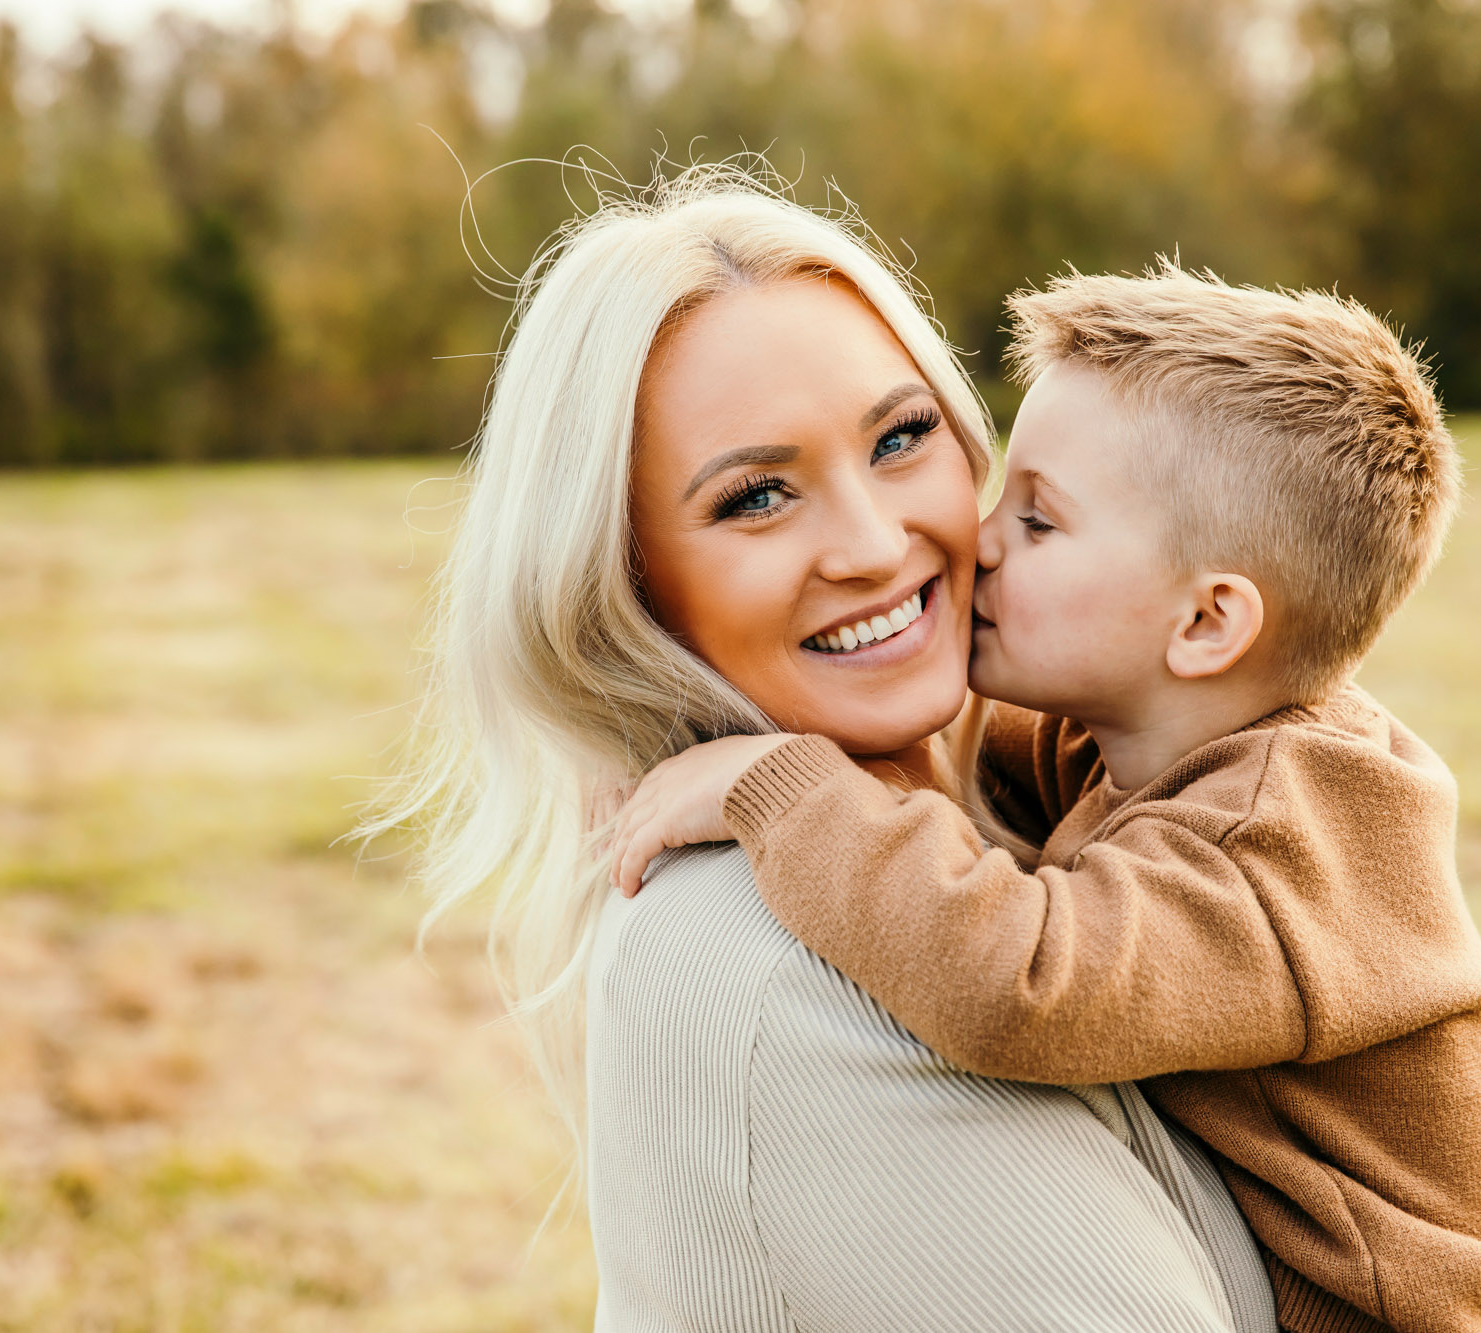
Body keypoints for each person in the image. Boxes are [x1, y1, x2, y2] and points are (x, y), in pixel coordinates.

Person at [369, 168, 1279, 1331]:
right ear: (622, 587)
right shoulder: (779, 966)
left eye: (901, 437)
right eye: (755, 498)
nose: (873, 541)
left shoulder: (998, 812)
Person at [609, 267, 1481, 1332]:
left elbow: (1018, 980)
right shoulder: (1170, 729)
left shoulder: (1274, 840)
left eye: (1037, 522)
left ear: (1206, 623)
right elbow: (994, 756)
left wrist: (779, 792)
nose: (975, 540)